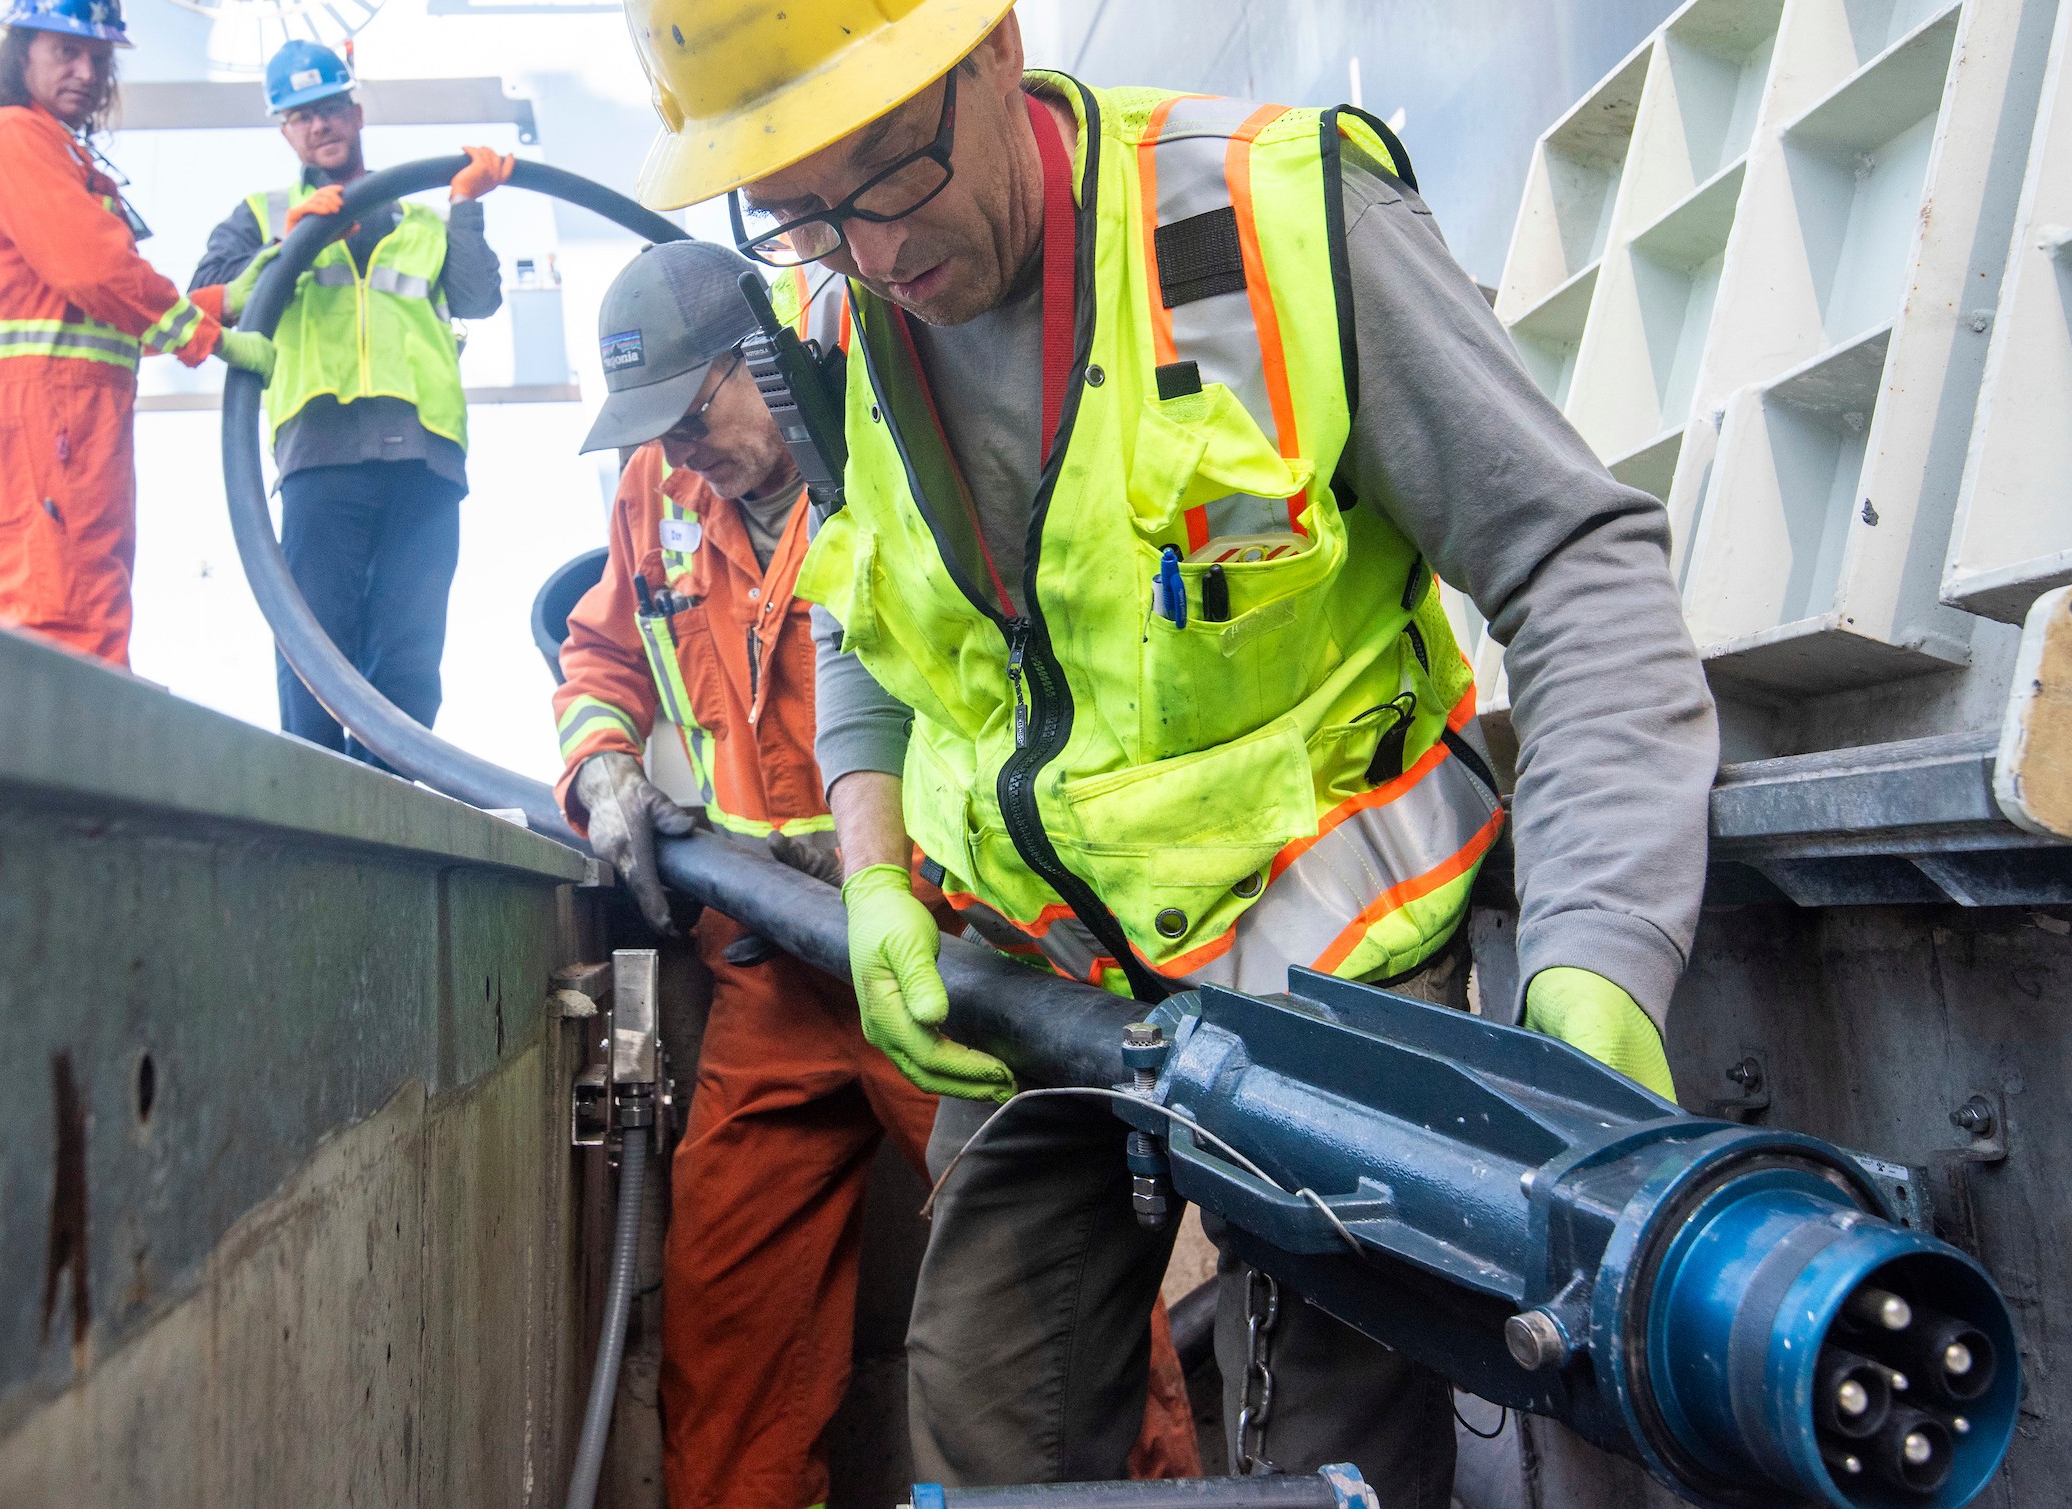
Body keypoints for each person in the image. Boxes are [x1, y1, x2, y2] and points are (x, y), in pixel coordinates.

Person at [621, 1, 1723, 1500]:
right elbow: (860, 616)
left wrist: (1597, 956)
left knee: (1338, 1444)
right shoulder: (835, 332)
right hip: (1044, 981)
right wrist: (874, 875)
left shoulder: (1278, 219)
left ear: (993, 49)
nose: (868, 253)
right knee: (986, 1406)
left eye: (882, 173)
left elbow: (1574, 563)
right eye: (797, 212)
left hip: (1332, 982)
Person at [554, 240, 1198, 1509]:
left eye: (694, 417)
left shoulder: (897, 441)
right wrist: (603, 768)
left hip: (952, 955)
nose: (680, 453)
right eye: (658, 433)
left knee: (1064, 1303)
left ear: (762, 362)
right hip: (767, 972)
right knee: (725, 1336)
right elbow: (599, 659)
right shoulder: (655, 494)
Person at [189, 40, 511, 768]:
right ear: (284, 130)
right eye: (301, 116)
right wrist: (288, 241)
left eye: (330, 108)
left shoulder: (423, 222)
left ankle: (391, 795)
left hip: (424, 453)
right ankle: (319, 792)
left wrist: (465, 207)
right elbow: (207, 302)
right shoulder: (261, 215)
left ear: (356, 112)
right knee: (314, 643)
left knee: (410, 652)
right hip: (321, 452)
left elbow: (477, 296)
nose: (319, 125)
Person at [0, 0, 273, 666]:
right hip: (44, 427)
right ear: (21, 53)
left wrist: (218, 305)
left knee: (86, 624)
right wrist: (209, 339)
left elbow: (95, 311)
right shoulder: (12, 138)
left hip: (68, 424)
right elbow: (93, 269)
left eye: (98, 57)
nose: (87, 72)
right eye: (67, 51)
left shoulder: (54, 151)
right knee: (60, 635)